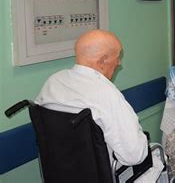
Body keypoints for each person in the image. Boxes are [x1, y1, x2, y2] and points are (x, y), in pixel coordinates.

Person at [36, 29, 148, 166]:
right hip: (107, 173)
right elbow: (134, 156)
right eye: (117, 57)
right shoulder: (107, 94)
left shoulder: (53, 82)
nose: (119, 62)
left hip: (61, 172)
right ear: (102, 61)